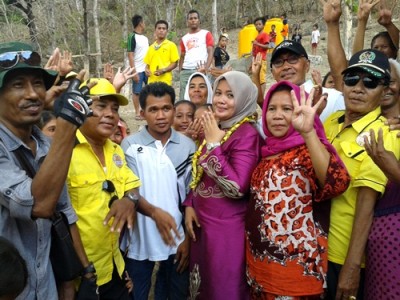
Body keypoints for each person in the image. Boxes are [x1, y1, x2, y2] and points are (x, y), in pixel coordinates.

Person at [68, 78, 178, 299]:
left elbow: (132, 187)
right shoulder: (65, 151)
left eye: (115, 109)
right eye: (100, 106)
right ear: (81, 108)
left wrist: (133, 201)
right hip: (81, 274)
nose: (110, 114)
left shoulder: (116, 151)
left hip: (114, 266)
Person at [0, 41, 93, 299]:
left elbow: (63, 211)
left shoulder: (43, 144)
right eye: (18, 85)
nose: (32, 94)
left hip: (47, 286)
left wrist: (85, 271)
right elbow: (40, 204)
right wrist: (68, 122)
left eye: (38, 84)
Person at [246, 81, 350, 299]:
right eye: (271, 109)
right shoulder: (266, 151)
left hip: (296, 272)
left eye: (287, 109)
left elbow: (336, 183)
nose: (277, 115)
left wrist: (309, 132)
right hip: (260, 269)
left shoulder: (306, 150)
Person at [323, 49, 400, 300]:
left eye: (370, 82)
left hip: (341, 255)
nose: (358, 87)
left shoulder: (384, 135)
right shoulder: (331, 122)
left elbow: (366, 206)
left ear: (384, 91)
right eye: (352, 79)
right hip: (312, 248)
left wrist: (351, 267)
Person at [184, 71, 263, 300]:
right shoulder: (220, 127)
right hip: (203, 226)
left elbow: (237, 187)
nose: (220, 99)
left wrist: (213, 144)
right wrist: (189, 203)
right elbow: (199, 174)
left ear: (244, 99)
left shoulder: (247, 134)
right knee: (203, 288)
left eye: (230, 95)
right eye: (218, 93)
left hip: (227, 232)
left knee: (223, 289)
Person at [122, 82, 196, 300]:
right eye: (153, 110)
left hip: (177, 237)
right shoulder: (130, 145)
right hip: (139, 239)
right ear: (142, 113)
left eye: (166, 108)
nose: (161, 115)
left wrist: (187, 239)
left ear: (174, 109)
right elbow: (130, 191)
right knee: (136, 293)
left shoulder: (187, 146)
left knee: (174, 292)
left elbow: (191, 195)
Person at [362, 59, 400, 300]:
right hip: (379, 243)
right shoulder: (377, 128)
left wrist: (393, 170)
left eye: (390, 81)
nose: (384, 87)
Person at [269, 40, 345, 122]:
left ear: (307, 65)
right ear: (272, 72)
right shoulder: (269, 108)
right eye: (278, 62)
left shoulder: (332, 99)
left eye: (293, 59)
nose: (286, 66)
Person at [179, 10, 214, 99]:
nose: (193, 20)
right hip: (186, 70)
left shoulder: (206, 33)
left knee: (202, 96)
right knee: (184, 97)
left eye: (195, 18)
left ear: (199, 20)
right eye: (191, 18)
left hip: (200, 69)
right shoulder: (184, 38)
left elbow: (210, 51)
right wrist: (181, 71)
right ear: (187, 22)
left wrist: (206, 68)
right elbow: (182, 55)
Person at [144, 20, 179, 86]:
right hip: (151, 83)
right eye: (159, 28)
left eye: (164, 28)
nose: (161, 30)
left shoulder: (171, 45)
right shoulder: (151, 47)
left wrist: (164, 70)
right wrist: (146, 70)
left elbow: (175, 63)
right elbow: (147, 65)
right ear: (155, 31)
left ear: (167, 31)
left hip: (165, 82)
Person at [127, 14, 149, 120]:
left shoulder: (145, 38)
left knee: (149, 91)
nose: (145, 24)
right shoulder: (132, 37)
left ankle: (147, 111)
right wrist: (134, 71)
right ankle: (137, 112)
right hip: (137, 69)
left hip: (146, 69)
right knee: (137, 92)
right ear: (140, 23)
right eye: (144, 22)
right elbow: (130, 54)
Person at [252, 17, 270, 95]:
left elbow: (267, 46)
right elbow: (254, 51)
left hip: (262, 59)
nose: (257, 26)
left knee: (262, 79)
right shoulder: (257, 37)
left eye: (259, 24)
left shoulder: (265, 34)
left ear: (263, 25)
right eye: (256, 24)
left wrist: (257, 43)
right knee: (257, 79)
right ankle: (258, 95)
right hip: (256, 60)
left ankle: (262, 96)